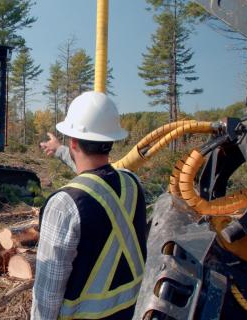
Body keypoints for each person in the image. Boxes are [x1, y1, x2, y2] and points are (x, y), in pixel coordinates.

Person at [32, 92, 147, 319]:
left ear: (73, 141)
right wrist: (60, 150)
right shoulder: (132, 183)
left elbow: (47, 294)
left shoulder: (64, 205)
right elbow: (96, 178)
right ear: (111, 140)